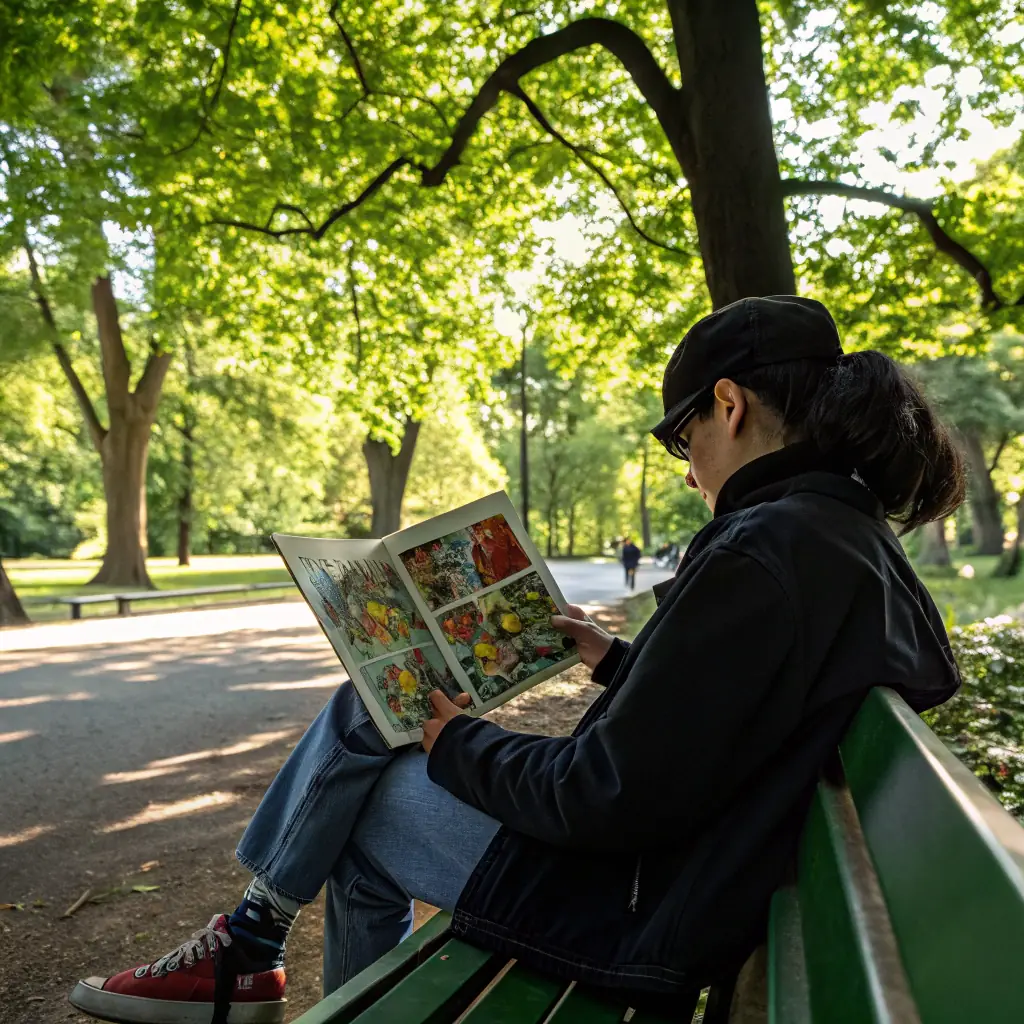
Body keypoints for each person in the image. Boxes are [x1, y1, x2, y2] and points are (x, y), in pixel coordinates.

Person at [70, 295, 965, 1024]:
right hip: (695, 879)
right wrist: (616, 660)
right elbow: (747, 707)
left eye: (680, 439)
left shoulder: (760, 548)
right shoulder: (842, 536)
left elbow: (598, 795)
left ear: (727, 406)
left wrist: (457, 741)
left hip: (636, 910)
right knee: (374, 727)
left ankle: (252, 945)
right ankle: (253, 948)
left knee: (367, 739)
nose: (689, 471)